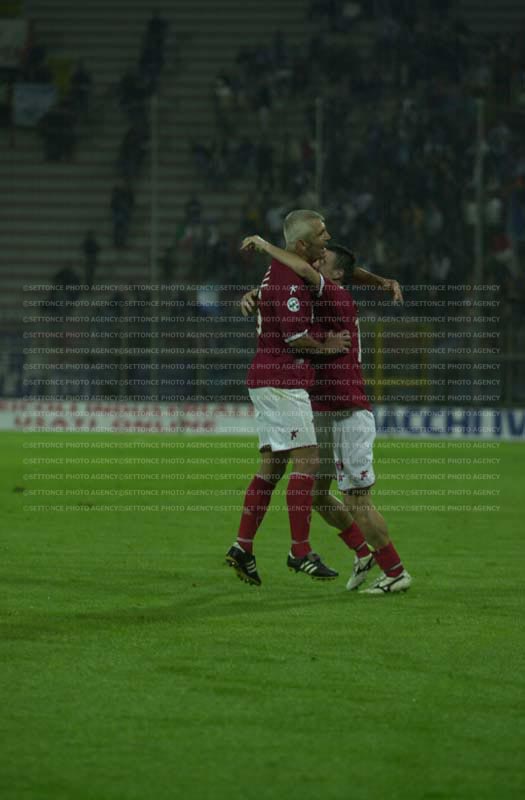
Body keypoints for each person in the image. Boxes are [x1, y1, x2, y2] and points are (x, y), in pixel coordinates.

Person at [240, 235, 412, 595]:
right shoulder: (314, 295)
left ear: (334, 276)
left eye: (323, 262)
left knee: (356, 500)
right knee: (316, 494)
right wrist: (260, 294)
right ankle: (362, 554)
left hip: (347, 410)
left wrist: (265, 246)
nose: (315, 263)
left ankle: (395, 572)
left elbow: (304, 268)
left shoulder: (336, 296)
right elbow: (310, 276)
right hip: (320, 407)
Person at [225, 210, 352, 586]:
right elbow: (295, 337)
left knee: (271, 468)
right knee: (308, 463)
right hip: (282, 379)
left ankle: (242, 547)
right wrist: (328, 345)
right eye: (321, 233)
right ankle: (300, 550)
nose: (327, 237)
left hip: (269, 377)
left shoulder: (282, 271)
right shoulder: (289, 277)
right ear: (301, 244)